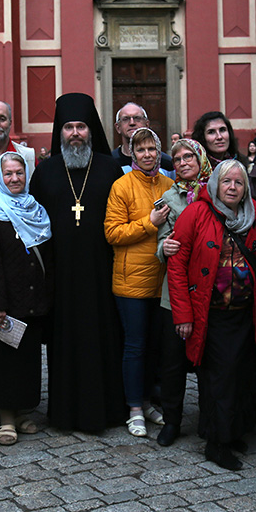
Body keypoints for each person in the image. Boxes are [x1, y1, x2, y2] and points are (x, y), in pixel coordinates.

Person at [29, 92, 125, 432]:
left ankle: (108, 410)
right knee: (64, 344)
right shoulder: (45, 172)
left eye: (81, 126)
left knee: (104, 341)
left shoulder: (110, 168)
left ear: (91, 129)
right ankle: (65, 413)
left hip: (103, 273)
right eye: (68, 127)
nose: (74, 133)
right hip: (61, 277)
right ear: (60, 131)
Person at [167, 159, 256, 470]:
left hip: (245, 312)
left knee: (241, 376)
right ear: (215, 184)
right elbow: (177, 265)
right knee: (219, 379)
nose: (233, 187)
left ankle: (233, 432)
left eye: (238, 183)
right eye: (227, 182)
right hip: (211, 313)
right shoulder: (196, 212)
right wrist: (183, 315)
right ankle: (217, 443)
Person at [0, 153, 53, 445]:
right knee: (3, 362)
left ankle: (21, 412)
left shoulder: (37, 211)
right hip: (3, 302)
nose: (14, 179)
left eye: (19, 173)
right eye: (8, 174)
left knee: (26, 361)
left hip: (31, 298)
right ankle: (5, 419)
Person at [104, 127, 174, 437]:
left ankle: (147, 401)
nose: (147, 155)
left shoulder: (170, 185)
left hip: (162, 281)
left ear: (159, 152)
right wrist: (150, 223)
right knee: (135, 346)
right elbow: (113, 233)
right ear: (132, 152)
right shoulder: (121, 185)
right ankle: (133, 408)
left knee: (155, 348)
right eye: (141, 149)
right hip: (130, 282)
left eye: (152, 149)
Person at [154, 138, 213, 446]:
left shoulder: (216, 192)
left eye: (189, 156)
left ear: (199, 157)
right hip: (174, 293)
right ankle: (172, 421)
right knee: (173, 362)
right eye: (176, 159)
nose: (183, 162)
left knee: (207, 360)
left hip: (210, 289)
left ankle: (208, 421)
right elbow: (161, 242)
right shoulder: (168, 197)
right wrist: (165, 246)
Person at [111, 102, 175, 178]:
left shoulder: (166, 163)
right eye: (126, 119)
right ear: (118, 127)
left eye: (137, 118)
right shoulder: (111, 162)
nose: (132, 123)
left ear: (147, 124)